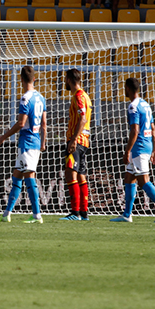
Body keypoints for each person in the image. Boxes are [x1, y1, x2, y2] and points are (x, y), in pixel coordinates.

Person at [110, 78, 155, 223]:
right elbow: (153, 129)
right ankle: (127, 215)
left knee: (143, 181)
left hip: (139, 147)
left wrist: (127, 151)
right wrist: (154, 150)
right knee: (129, 178)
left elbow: (135, 130)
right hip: (147, 144)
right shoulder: (145, 104)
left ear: (128, 88)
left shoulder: (133, 106)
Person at [0, 66, 46, 224]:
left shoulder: (25, 98)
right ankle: (6, 214)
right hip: (36, 141)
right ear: (34, 79)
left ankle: (37, 215)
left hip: (27, 141)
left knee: (29, 176)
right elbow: (44, 124)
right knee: (17, 175)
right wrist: (43, 143)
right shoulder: (41, 97)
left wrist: (3, 137)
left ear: (21, 79)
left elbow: (21, 123)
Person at [59, 68, 93, 221]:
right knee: (81, 175)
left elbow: (83, 119)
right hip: (85, 140)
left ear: (68, 80)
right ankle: (84, 212)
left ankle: (75, 213)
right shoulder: (86, 95)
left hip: (77, 140)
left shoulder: (78, 96)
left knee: (70, 173)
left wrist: (73, 140)